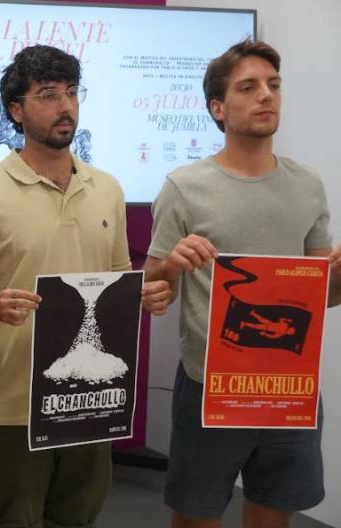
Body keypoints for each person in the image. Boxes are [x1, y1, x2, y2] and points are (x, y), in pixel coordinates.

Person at [0, 45, 170, 528]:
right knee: (13, 521)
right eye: (48, 95)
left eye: (71, 92)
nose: (65, 106)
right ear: (16, 111)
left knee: (78, 518)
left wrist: (146, 293)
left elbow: (117, 284)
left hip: (93, 398)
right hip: (14, 405)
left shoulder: (107, 188)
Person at [143, 40, 341, 528]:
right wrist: (171, 267)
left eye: (273, 85)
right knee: (197, 516)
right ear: (218, 107)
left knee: (274, 514)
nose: (266, 95)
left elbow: (322, 296)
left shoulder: (307, 185)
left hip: (289, 384)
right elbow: (152, 292)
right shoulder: (184, 186)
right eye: (248, 87)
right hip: (211, 385)